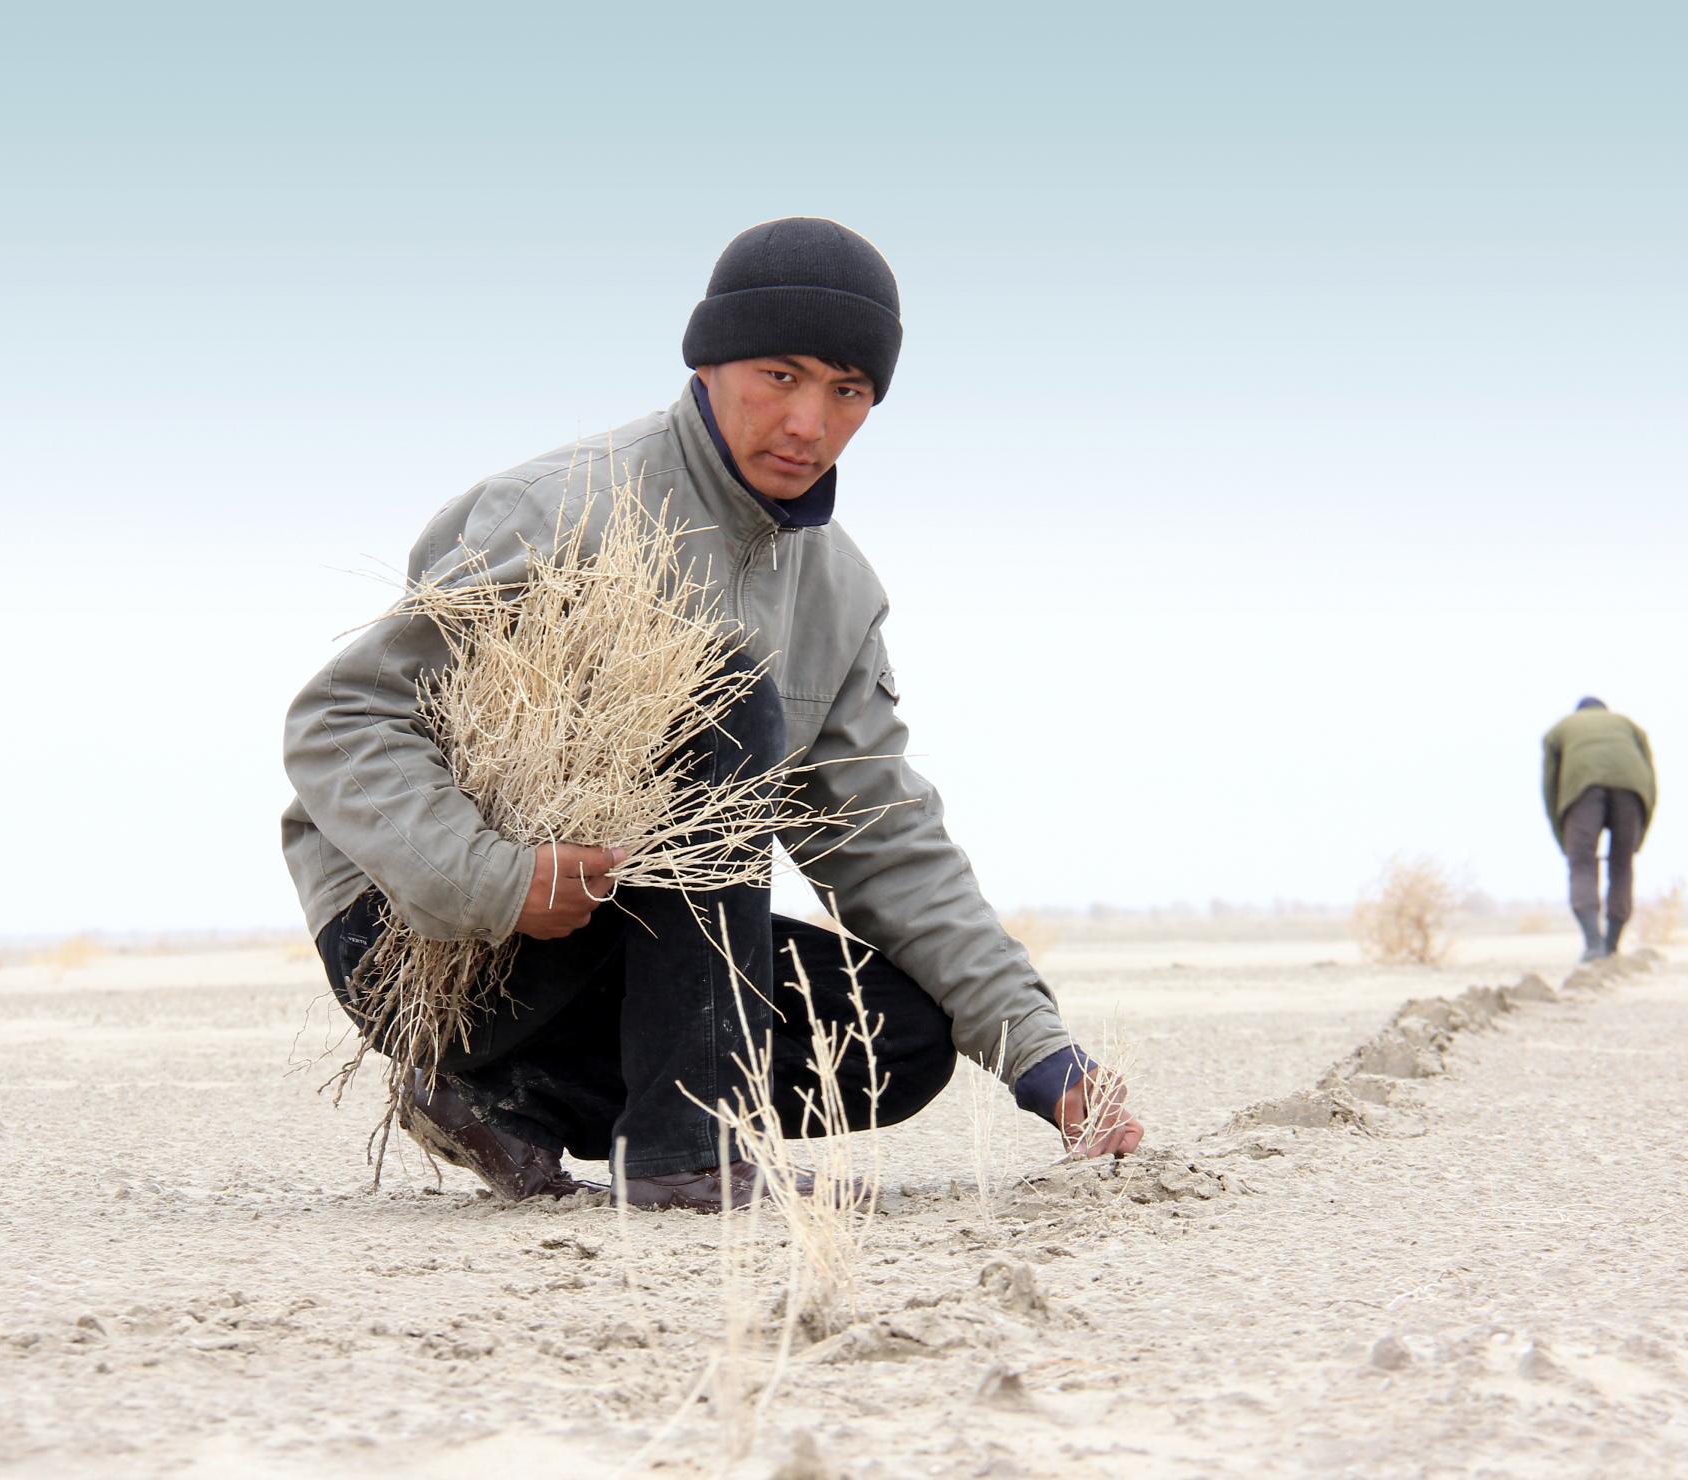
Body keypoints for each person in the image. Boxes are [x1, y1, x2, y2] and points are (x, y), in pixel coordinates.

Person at [280, 218, 1141, 1209]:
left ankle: (504, 1098)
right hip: (425, 943)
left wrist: (1045, 1056)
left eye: (848, 392)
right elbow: (341, 721)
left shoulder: (839, 595)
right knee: (723, 689)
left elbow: (887, 843)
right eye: (782, 376)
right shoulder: (564, 512)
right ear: (711, 362)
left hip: (619, 945)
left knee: (897, 1034)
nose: (810, 424)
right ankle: (687, 1151)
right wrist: (496, 879)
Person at [1540, 697, 1657, 962]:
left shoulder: (1560, 729)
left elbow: (1549, 788)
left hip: (1581, 790)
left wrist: (1564, 841)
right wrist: (1639, 835)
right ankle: (1612, 945)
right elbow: (1650, 781)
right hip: (1632, 790)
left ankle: (1594, 946)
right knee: (1622, 865)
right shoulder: (1628, 725)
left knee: (1581, 865)